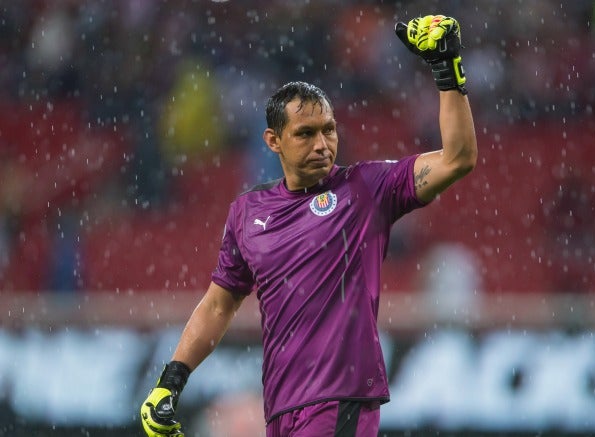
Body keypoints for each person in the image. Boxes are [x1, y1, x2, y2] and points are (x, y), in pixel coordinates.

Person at [140, 14, 477, 437]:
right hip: (281, 407)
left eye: (329, 130)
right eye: (305, 133)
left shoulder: (366, 188)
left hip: (340, 398)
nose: (322, 144)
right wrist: (171, 381)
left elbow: (457, 158)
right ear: (273, 141)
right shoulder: (249, 213)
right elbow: (218, 305)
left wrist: (447, 70)